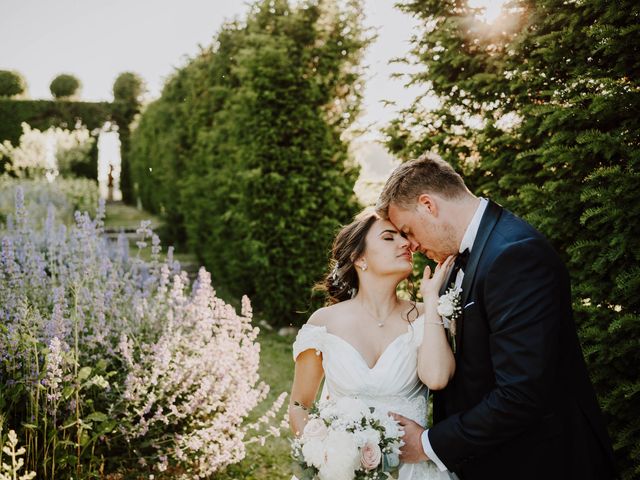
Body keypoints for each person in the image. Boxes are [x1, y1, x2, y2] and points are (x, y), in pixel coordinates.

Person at [375, 152, 618, 480]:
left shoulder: (514, 254)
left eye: (408, 230)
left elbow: (522, 393)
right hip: (493, 459)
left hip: (541, 462)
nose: (412, 246)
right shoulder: (462, 261)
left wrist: (429, 443)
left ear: (428, 205)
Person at [289, 208, 454, 479]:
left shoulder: (426, 315)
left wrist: (432, 300)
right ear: (359, 258)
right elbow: (299, 404)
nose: (405, 243)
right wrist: (324, 455)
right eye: (389, 238)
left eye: (404, 236)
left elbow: (436, 378)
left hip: (412, 470)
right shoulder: (324, 323)